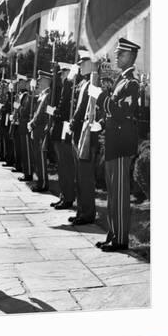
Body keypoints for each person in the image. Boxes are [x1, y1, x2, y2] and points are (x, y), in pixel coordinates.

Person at [94, 38, 141, 252]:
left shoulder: (132, 83)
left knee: (120, 194)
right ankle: (113, 233)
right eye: (117, 53)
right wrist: (102, 124)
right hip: (114, 143)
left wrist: (102, 97)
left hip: (122, 146)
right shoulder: (120, 81)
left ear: (130, 56)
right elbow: (112, 114)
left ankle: (121, 239)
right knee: (112, 193)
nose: (116, 56)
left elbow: (122, 112)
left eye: (120, 53)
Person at [68, 55, 102, 225]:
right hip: (79, 135)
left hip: (87, 137)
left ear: (91, 63)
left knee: (86, 178)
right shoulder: (83, 83)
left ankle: (87, 214)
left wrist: (73, 123)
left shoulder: (95, 83)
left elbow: (86, 110)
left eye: (83, 63)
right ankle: (81, 210)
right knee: (79, 178)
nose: (80, 66)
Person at [50, 63, 76, 209]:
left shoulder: (69, 86)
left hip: (64, 130)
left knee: (66, 165)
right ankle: (64, 195)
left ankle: (68, 197)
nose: (60, 76)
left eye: (62, 73)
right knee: (61, 166)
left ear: (68, 72)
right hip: (60, 129)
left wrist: (55, 112)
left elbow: (63, 107)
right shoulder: (65, 86)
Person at [27, 70, 52, 192]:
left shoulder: (48, 95)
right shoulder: (43, 94)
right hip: (37, 129)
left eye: (41, 80)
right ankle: (40, 181)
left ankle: (43, 184)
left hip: (41, 129)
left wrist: (33, 123)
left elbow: (42, 113)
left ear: (47, 81)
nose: (39, 82)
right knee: (37, 157)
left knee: (41, 158)